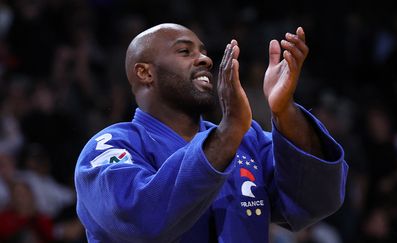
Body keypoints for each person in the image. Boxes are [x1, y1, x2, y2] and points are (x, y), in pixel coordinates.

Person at [74, 23, 348, 243]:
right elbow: (142, 219)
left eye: (203, 51)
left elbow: (316, 200)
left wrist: (284, 111)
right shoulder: (110, 146)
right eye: (185, 52)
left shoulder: (246, 138)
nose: (204, 59)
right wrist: (228, 133)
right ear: (145, 73)